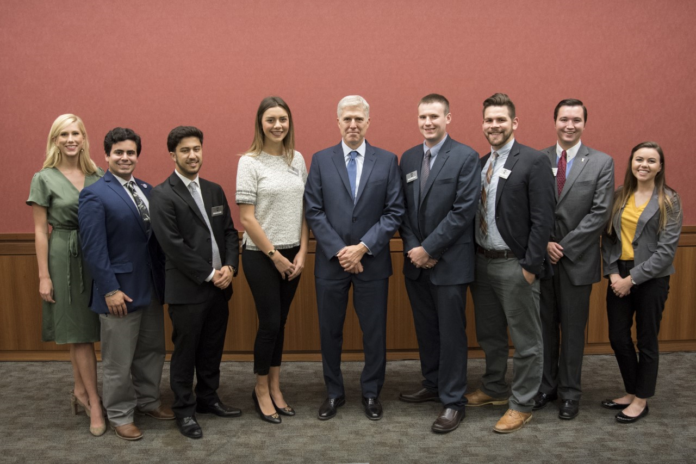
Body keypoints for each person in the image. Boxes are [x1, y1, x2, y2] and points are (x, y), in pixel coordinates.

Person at [304, 95, 404, 421]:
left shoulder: (388, 161)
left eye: (359, 119)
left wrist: (362, 247)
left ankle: (372, 392)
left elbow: (394, 212)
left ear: (368, 122)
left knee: (374, 332)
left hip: (372, 261)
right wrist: (342, 251)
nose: (352, 124)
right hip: (331, 263)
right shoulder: (320, 160)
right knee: (329, 331)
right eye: (347, 118)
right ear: (337, 122)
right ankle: (334, 392)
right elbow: (314, 211)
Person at [465, 93, 556, 433]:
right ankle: (494, 389)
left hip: (515, 264)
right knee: (489, 334)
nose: (494, 125)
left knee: (527, 339)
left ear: (514, 123)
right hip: (482, 263)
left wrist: (531, 265)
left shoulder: (533, 161)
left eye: (501, 120)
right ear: (483, 124)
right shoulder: (479, 164)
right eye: (489, 120)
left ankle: (522, 404)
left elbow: (543, 219)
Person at [78, 127, 174, 441]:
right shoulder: (94, 193)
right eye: (118, 152)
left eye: (130, 152)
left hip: (150, 288)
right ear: (106, 156)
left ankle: (148, 401)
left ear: (137, 156)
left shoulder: (147, 189)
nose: (125, 157)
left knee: (152, 351)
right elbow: (93, 248)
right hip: (118, 291)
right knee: (119, 359)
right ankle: (120, 414)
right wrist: (109, 289)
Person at [149, 126, 240, 439]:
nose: (192, 155)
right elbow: (173, 245)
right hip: (188, 290)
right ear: (173, 154)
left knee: (212, 348)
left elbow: (229, 231)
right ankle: (184, 411)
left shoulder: (214, 189)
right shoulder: (162, 194)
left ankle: (208, 398)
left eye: (197, 149)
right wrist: (210, 273)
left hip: (220, 286)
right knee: (185, 353)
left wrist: (229, 267)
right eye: (185, 150)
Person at [398, 94, 480, 433]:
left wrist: (430, 248)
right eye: (422, 117)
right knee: (426, 330)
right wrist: (415, 248)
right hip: (416, 263)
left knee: (451, 334)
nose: (428, 122)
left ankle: (452, 401)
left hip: (449, 264)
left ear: (448, 117)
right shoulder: (409, 158)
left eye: (434, 116)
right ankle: (432, 383)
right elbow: (401, 210)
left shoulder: (465, 156)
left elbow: (463, 212)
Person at [534, 99, 615, 420]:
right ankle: (547, 386)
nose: (570, 125)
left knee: (572, 330)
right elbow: (528, 209)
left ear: (584, 123)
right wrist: (544, 245)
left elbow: (599, 213)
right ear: (554, 121)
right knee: (544, 330)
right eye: (564, 119)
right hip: (542, 262)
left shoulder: (601, 162)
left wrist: (561, 246)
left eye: (576, 120)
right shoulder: (537, 159)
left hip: (576, 262)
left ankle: (570, 393)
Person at [27, 114, 106, 436]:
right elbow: (39, 231)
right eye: (64, 134)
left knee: (88, 329)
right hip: (63, 254)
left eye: (76, 133)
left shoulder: (97, 175)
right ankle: (95, 404)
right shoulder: (43, 177)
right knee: (78, 331)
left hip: (95, 253)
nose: (71, 139)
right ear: (55, 140)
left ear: (84, 138)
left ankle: (79, 390)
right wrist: (44, 276)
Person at [236, 97, 309, 424]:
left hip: (294, 254)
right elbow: (247, 219)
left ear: (289, 122)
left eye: (283, 119)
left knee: (280, 323)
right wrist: (276, 257)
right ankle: (261, 389)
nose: (277, 125)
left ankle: (276, 388)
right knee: (268, 324)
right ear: (260, 124)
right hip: (260, 255)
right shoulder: (249, 162)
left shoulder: (298, 160)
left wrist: (304, 251)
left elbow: (305, 211)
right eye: (270, 120)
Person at [600, 141, 682, 423]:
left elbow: (665, 251)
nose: (643, 165)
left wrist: (631, 280)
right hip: (618, 274)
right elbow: (609, 237)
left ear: (660, 166)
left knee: (646, 339)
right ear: (631, 163)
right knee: (618, 337)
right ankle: (633, 391)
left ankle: (641, 400)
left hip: (651, 279)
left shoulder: (669, 200)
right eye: (638, 159)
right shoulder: (620, 195)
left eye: (650, 161)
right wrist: (613, 274)